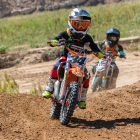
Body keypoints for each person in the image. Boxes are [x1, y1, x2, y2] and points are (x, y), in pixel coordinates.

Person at [42, 8, 105, 109]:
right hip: (66, 58)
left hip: (79, 62)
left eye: (84, 25)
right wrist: (54, 42)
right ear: (70, 23)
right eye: (77, 24)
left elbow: (94, 47)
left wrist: (100, 54)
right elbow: (58, 38)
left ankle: (83, 98)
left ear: (88, 25)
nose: (80, 27)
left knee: (87, 76)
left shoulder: (86, 38)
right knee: (56, 66)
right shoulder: (65, 34)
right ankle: (49, 88)